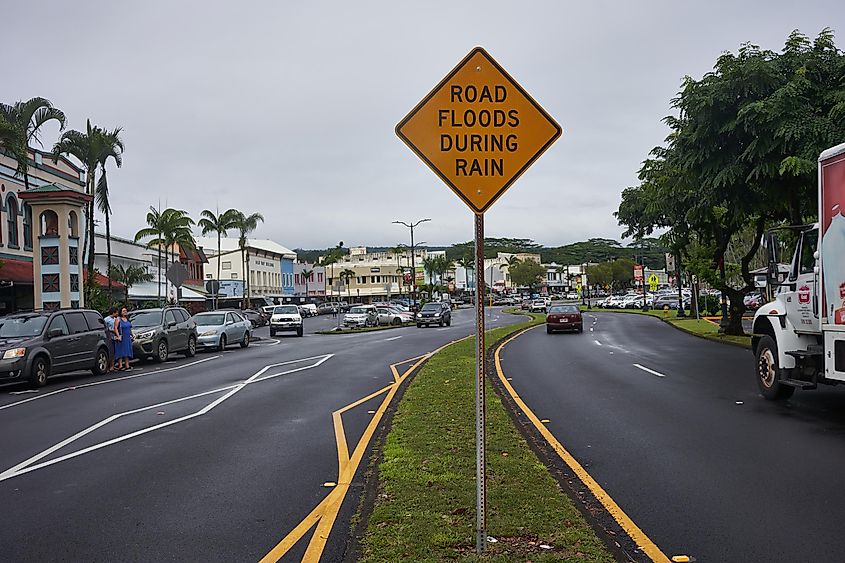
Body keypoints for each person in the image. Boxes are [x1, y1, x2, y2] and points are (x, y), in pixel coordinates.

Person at [114, 306, 133, 371]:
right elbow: (115, 328)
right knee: (120, 351)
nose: (125, 312)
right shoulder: (118, 319)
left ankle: (127, 365)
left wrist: (132, 335)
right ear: (120, 312)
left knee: (127, 350)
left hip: (127, 337)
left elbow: (129, 328)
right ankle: (120, 365)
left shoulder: (127, 319)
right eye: (123, 311)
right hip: (122, 336)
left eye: (126, 311)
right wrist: (118, 335)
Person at [103, 307, 118, 372]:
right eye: (116, 312)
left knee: (114, 352)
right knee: (110, 351)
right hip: (109, 337)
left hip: (115, 337)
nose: (117, 313)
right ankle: (108, 366)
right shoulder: (106, 319)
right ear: (113, 312)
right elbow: (105, 328)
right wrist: (112, 330)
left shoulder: (115, 319)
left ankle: (112, 366)